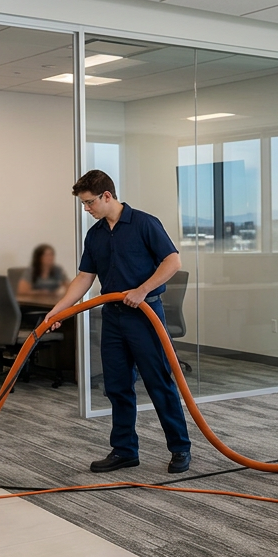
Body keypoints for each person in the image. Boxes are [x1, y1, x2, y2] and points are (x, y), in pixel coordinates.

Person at [43, 170, 192, 474]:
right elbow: (85, 278)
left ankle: (180, 448)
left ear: (106, 196)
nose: (86, 209)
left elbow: (173, 261)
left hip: (145, 315)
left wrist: (142, 289)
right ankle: (125, 450)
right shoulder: (96, 234)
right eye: (83, 204)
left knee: (158, 382)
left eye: (89, 203)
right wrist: (57, 310)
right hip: (112, 317)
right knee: (117, 386)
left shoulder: (144, 224)